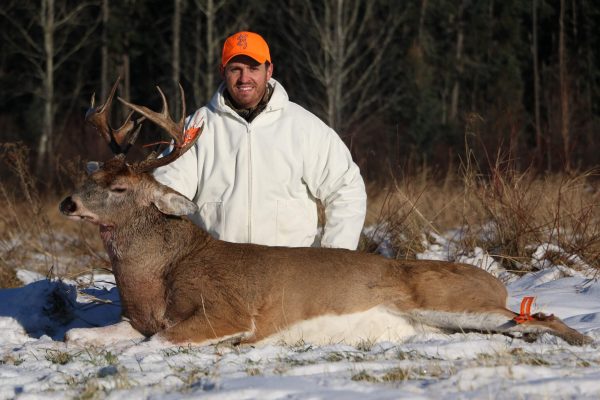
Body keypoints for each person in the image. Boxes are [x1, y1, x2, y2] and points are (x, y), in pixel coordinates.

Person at [154, 31, 366, 250]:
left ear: (269, 70)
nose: (244, 78)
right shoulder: (197, 127)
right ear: (222, 71)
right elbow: (165, 191)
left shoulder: (303, 127)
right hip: (217, 271)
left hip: (288, 273)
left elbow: (346, 187)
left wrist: (333, 258)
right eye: (236, 69)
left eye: (253, 68)